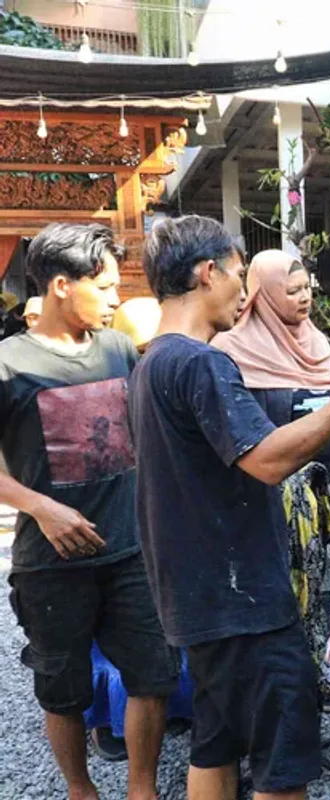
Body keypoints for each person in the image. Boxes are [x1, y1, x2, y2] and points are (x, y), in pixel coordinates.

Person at [128, 215, 330, 800]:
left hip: (195, 600)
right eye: (236, 273)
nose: (244, 291)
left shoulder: (152, 361)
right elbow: (268, 460)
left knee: (216, 741)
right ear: (207, 274)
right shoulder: (201, 362)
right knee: (282, 767)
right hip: (242, 605)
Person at [0, 223, 177, 800]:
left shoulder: (119, 349)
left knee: (152, 674)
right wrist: (40, 506)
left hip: (131, 551)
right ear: (59, 285)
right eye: (103, 287)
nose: (115, 299)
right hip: (48, 563)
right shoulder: (8, 363)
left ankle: (141, 789)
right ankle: (80, 789)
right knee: (62, 687)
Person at [212, 249, 330, 428]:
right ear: (266, 295)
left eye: (307, 287)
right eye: (293, 291)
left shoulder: (317, 341)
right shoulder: (231, 348)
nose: (305, 298)